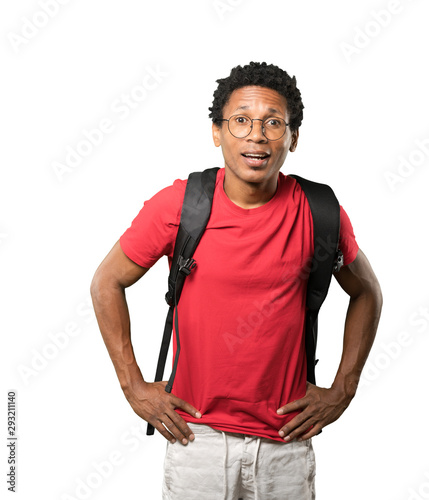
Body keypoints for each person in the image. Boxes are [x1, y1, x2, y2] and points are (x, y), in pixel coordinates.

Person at [90, 61, 383, 499]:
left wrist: (343, 389)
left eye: (273, 123)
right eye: (241, 121)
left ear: (293, 137)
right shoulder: (179, 206)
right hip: (194, 438)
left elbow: (367, 293)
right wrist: (133, 386)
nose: (256, 135)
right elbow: (106, 282)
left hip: (286, 441)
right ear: (217, 132)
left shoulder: (320, 212)